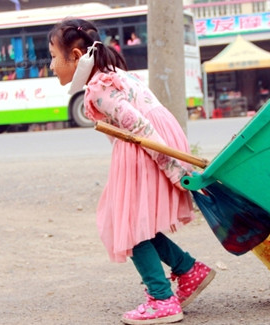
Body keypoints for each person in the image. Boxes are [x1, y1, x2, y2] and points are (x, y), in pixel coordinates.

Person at [48, 19, 215, 324]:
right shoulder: (111, 75)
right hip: (151, 144)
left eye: (54, 57)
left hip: (146, 147)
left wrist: (173, 167)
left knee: (128, 223)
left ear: (74, 55)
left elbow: (139, 126)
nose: (51, 65)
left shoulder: (100, 88)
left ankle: (162, 298)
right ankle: (188, 270)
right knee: (139, 223)